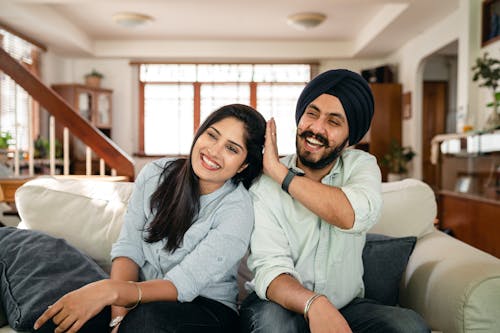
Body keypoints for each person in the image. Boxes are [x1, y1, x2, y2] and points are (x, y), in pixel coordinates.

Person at [30, 103, 266, 332]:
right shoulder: (157, 174)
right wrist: (118, 312)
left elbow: (184, 283)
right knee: (60, 319)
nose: (214, 151)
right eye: (212, 135)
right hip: (136, 295)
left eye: (231, 148)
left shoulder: (238, 210)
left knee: (145, 322)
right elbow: (129, 248)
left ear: (243, 165)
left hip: (206, 308)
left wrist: (112, 291)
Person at [239, 69, 430, 333]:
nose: (316, 128)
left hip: (347, 305)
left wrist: (281, 174)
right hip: (280, 305)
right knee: (273, 325)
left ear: (350, 138)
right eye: (312, 113)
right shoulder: (264, 187)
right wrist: (313, 303)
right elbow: (270, 270)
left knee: (409, 326)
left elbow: (352, 215)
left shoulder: (361, 166)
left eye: (334, 121)